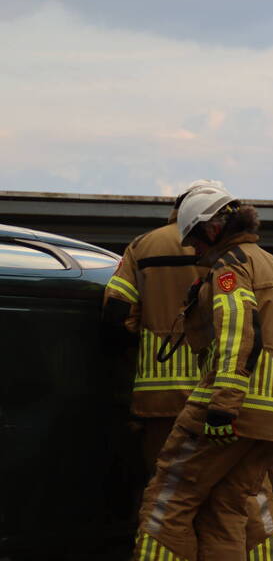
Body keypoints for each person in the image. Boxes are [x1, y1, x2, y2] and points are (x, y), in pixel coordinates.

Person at [131, 183, 273, 561]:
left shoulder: (231, 266)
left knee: (167, 500)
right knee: (225, 513)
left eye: (194, 241)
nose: (194, 252)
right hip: (270, 417)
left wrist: (223, 403)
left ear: (212, 230)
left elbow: (237, 330)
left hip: (229, 408)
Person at [101, 180, 210, 471]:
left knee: (164, 490)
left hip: (158, 401)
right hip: (218, 398)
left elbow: (116, 312)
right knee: (218, 498)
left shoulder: (143, 246)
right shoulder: (228, 249)